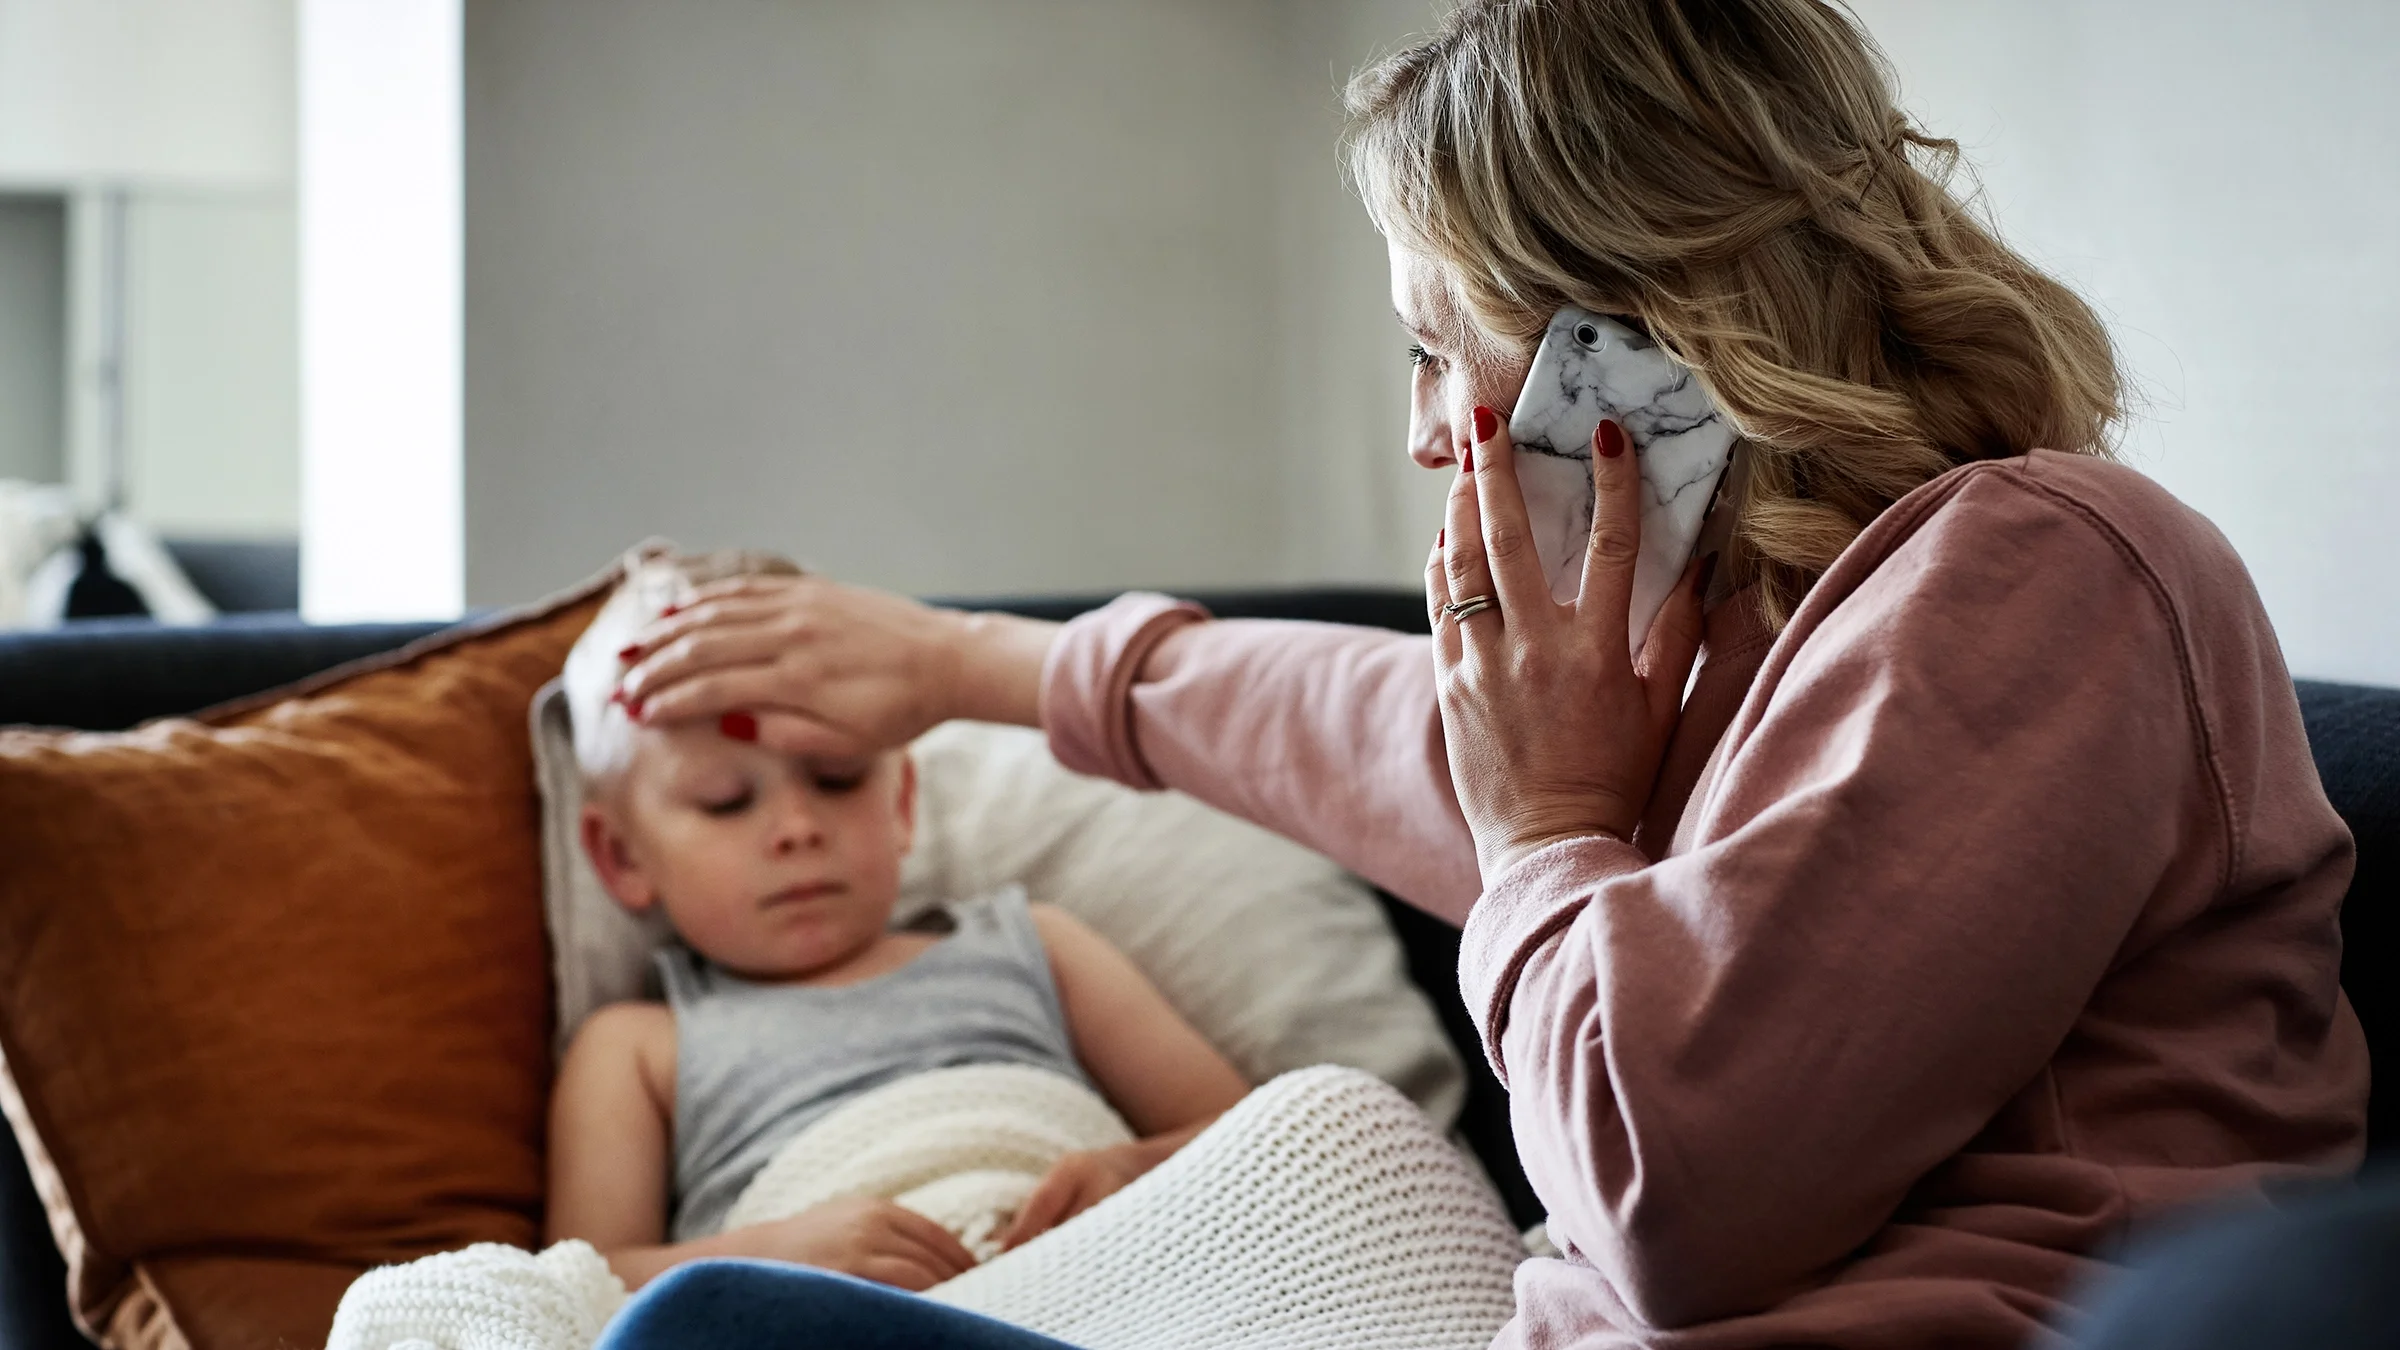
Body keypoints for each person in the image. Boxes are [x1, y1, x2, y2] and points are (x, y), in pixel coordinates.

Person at [602, 1, 2370, 1346]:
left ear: (1654, 327)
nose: (1427, 435)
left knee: (710, 1334)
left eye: (1446, 346)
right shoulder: (1732, 640)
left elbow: (1682, 1202)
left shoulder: (2045, 572)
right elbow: (1364, 733)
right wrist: (961, 665)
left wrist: (1547, 829)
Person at [546, 554, 1249, 1293]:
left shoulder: (1035, 945)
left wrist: (1131, 1175)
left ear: (903, 801)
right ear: (621, 857)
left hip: (1109, 1284)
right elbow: (575, 1290)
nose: (796, 828)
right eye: (726, 801)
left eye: (837, 779)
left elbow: (1263, 1134)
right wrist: (771, 1258)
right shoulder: (636, 1047)